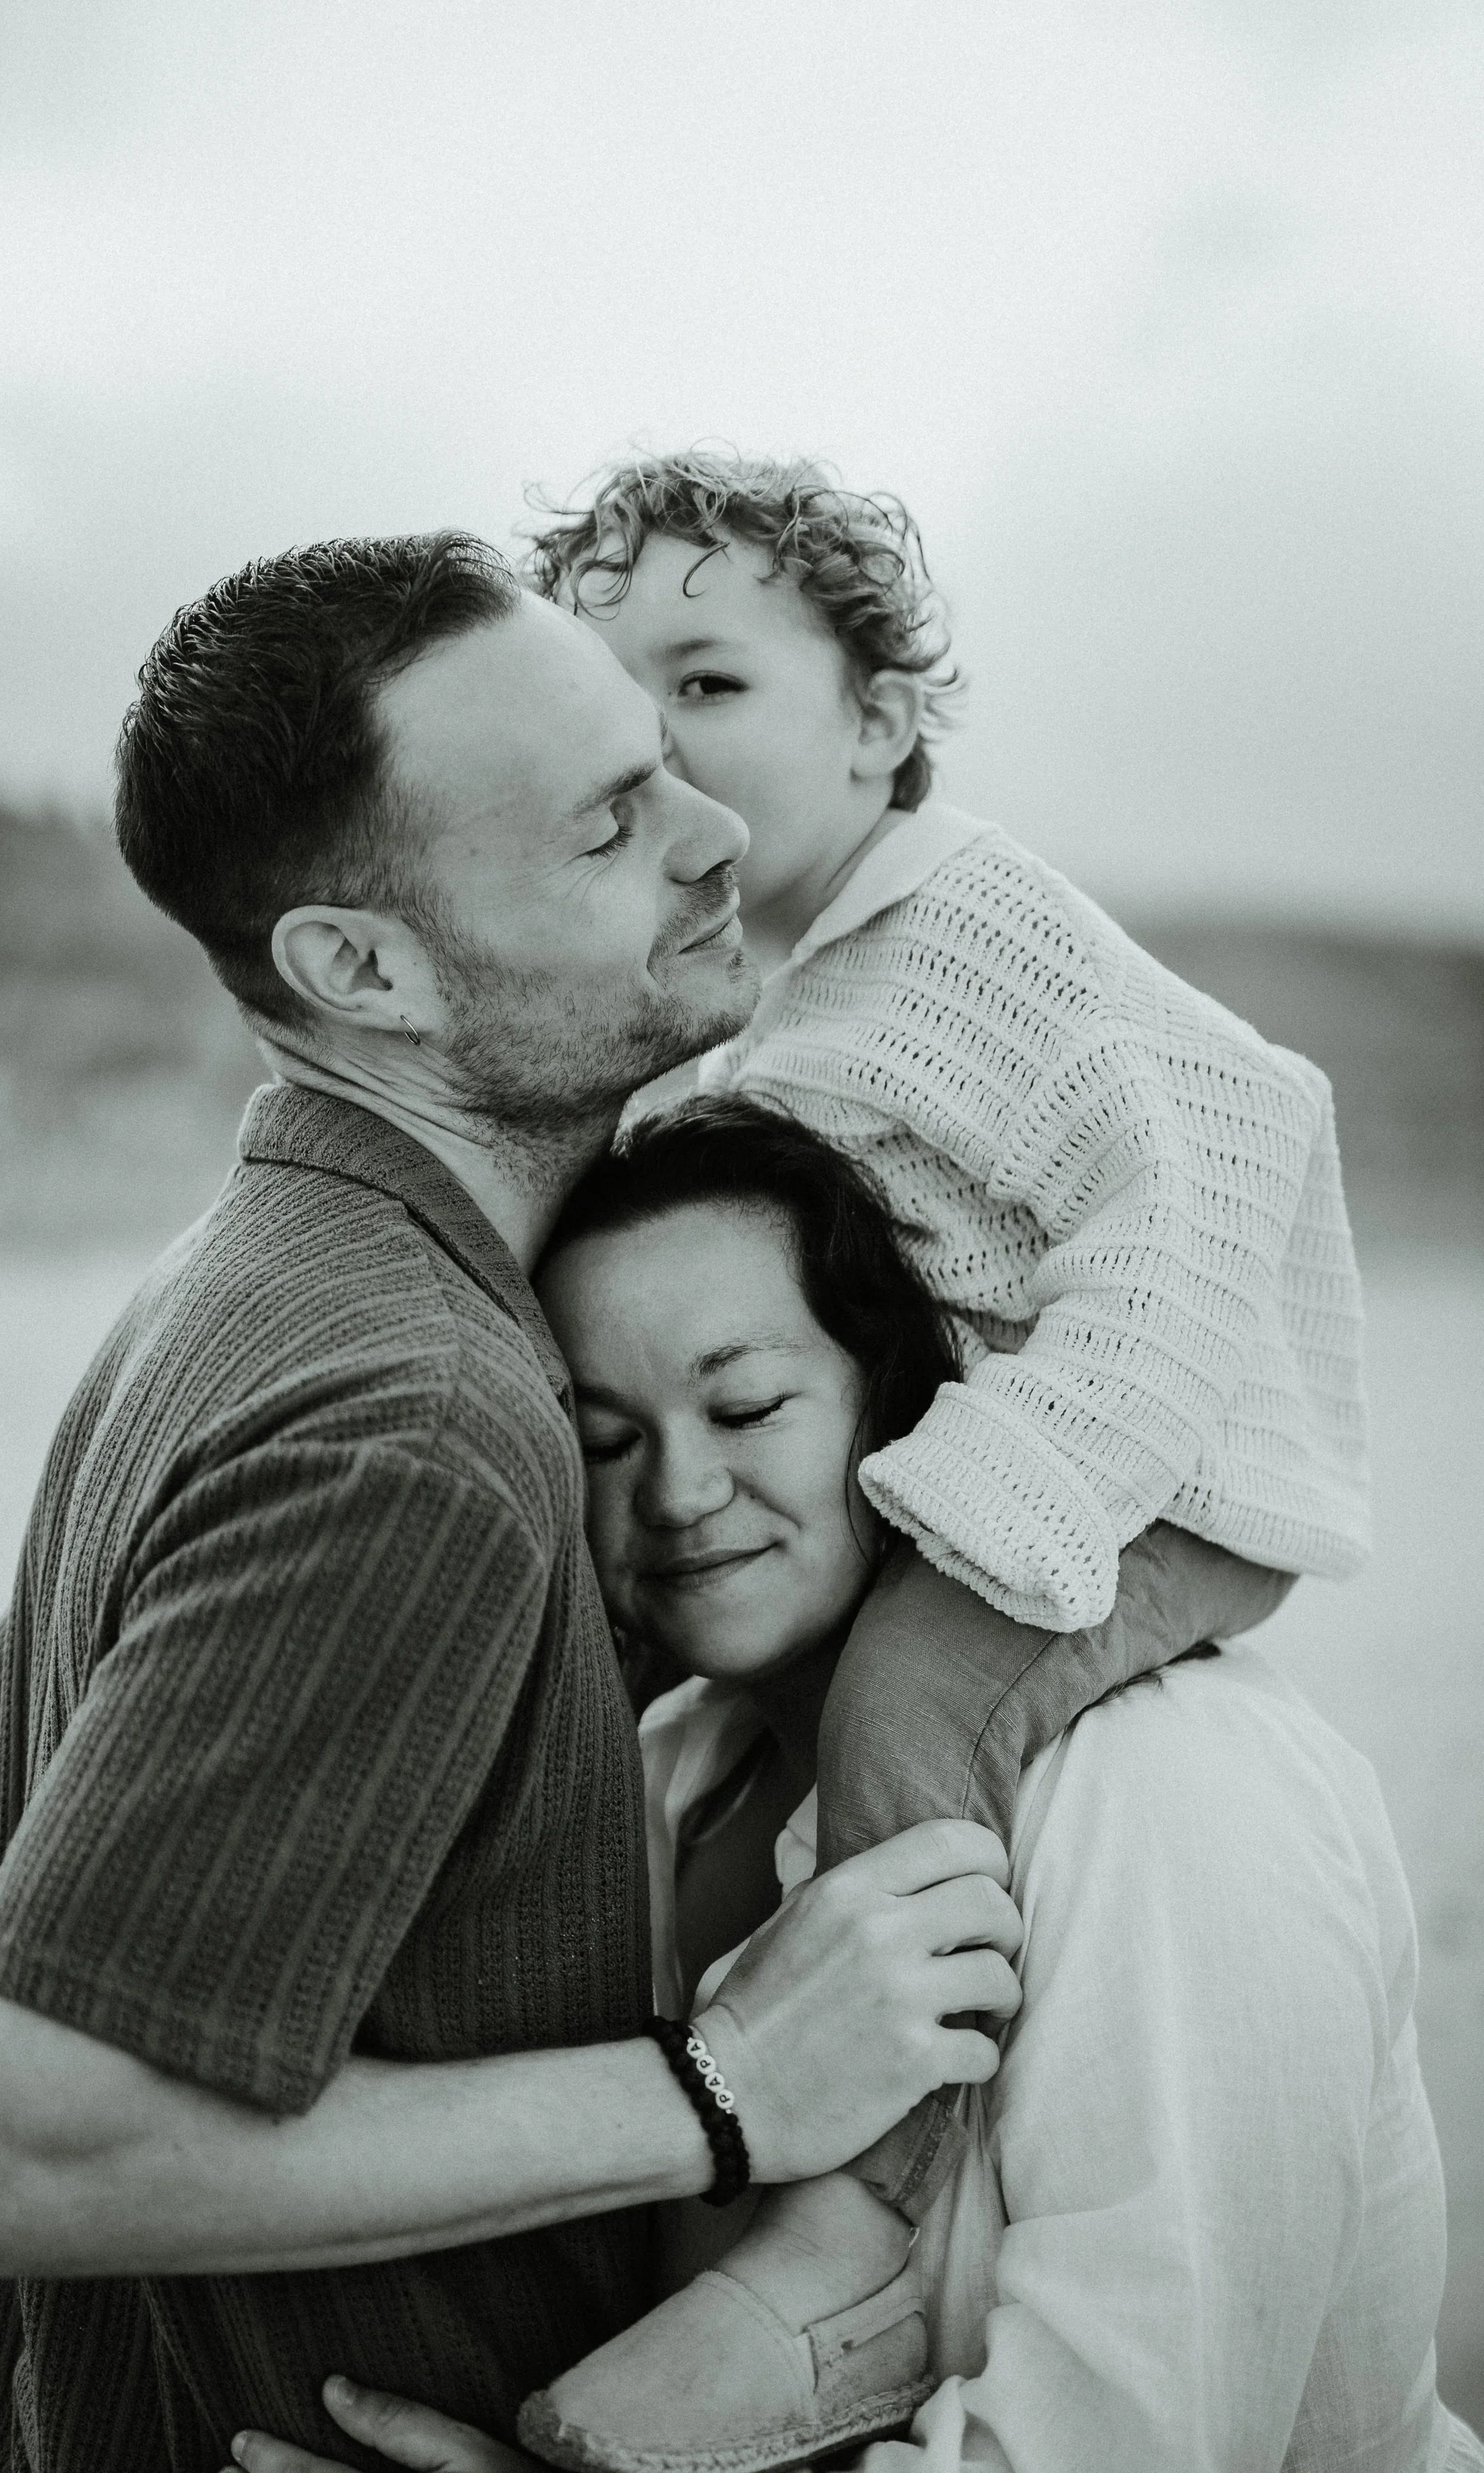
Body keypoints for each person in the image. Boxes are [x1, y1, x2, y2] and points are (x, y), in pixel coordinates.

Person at [0, 537, 1024, 2472]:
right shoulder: (413, 1422)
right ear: (361, 966)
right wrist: (726, 2082)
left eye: (673, 761)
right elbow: (7, 2148)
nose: (718, 830)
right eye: (605, 826)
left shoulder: (226, 1286)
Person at [512, 448, 1373, 2452]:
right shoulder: (759, 1004)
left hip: (1154, 1483)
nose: (660, 759)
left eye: (709, 687)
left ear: (883, 723)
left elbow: (1216, 1165)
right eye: (607, 719)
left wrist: (992, 1494)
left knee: (911, 1693)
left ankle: (864, 2227)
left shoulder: (978, 931)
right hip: (1001, 1475)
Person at [225, 1099, 1479, 2473]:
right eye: (603, 1439)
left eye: (746, 1405)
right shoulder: (648, 1787)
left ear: (895, 1396)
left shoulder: (1166, 1789)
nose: (681, 1490)